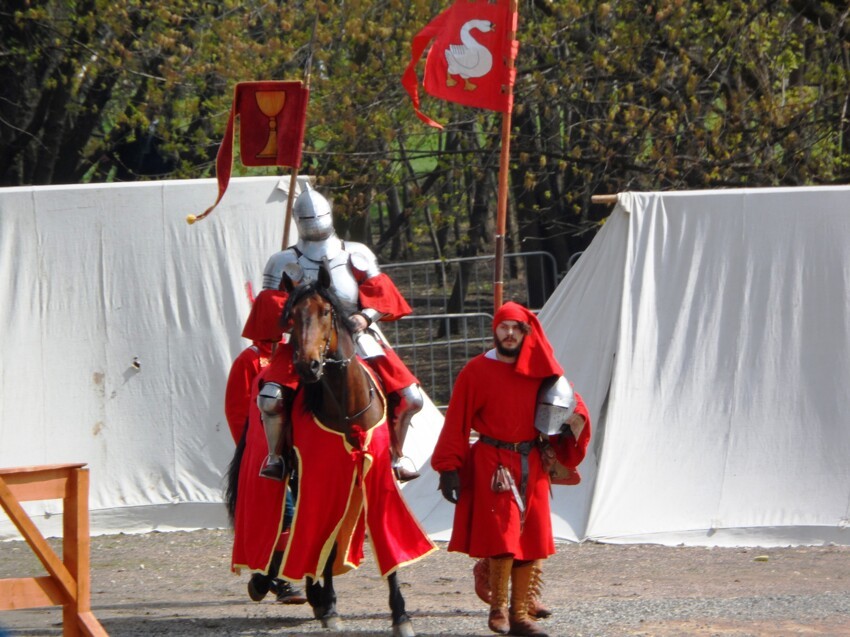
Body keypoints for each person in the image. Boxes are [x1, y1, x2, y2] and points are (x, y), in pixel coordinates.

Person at [431, 302, 591, 637]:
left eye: (516, 328)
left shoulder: (540, 371)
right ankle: (498, 610)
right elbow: (457, 421)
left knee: (530, 541)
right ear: (495, 330)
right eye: (504, 327)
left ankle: (521, 616)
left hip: (530, 460)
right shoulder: (476, 371)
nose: (509, 334)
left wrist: (572, 420)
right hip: (492, 461)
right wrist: (449, 467)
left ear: (525, 332)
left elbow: (570, 405)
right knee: (503, 539)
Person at [258, 185, 424, 482]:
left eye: (317, 216)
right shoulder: (282, 261)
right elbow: (270, 307)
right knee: (270, 399)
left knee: (411, 397)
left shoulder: (355, 252)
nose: (314, 223)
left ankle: (396, 455)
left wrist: (364, 316)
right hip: (306, 338)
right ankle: (277, 457)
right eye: (308, 218)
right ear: (299, 221)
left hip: (357, 337)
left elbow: (379, 294)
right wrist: (293, 321)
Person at [227, 288, 306, 605]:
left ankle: (266, 577)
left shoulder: (295, 357)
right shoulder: (249, 361)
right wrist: (256, 452)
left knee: (299, 515)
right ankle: (280, 580)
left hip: (297, 451)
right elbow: (237, 412)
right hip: (265, 453)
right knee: (283, 515)